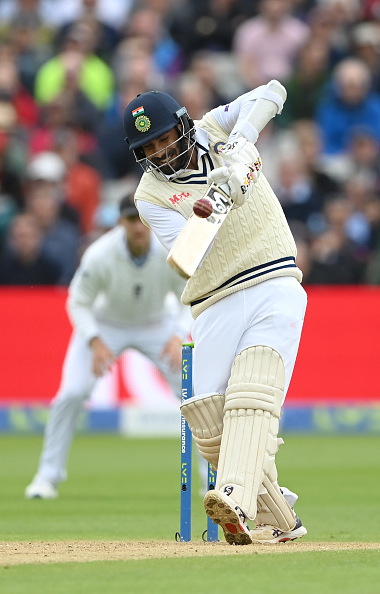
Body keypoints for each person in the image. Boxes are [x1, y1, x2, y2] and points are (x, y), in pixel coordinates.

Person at [122, 83, 308, 545]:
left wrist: (241, 142)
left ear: (184, 126)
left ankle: (233, 497)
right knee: (207, 421)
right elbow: (189, 260)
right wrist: (215, 204)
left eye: (166, 138)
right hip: (214, 299)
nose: (162, 153)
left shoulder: (213, 130)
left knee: (252, 392)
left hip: (274, 280)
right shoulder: (150, 197)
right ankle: (280, 516)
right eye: (150, 148)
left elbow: (274, 91)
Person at [25, 194, 192, 500]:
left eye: (142, 220)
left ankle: (215, 481)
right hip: (106, 326)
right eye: (131, 220)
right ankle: (47, 477)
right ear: (121, 222)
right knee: (71, 394)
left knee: (195, 397)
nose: (138, 227)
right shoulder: (100, 254)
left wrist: (178, 334)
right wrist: (94, 339)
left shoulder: (171, 250)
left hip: (157, 325)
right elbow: (78, 302)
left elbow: (189, 295)